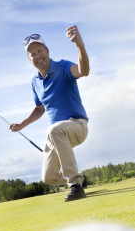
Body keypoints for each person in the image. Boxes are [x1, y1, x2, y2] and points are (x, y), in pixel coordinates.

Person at [10, 26, 90, 202]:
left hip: (77, 125)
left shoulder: (62, 67)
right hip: (56, 135)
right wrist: (21, 125)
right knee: (48, 178)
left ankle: (76, 185)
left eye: (40, 51)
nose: (37, 56)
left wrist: (80, 46)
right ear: (29, 59)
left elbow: (83, 71)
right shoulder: (35, 82)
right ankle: (80, 179)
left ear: (47, 50)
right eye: (33, 54)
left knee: (54, 130)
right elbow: (39, 109)